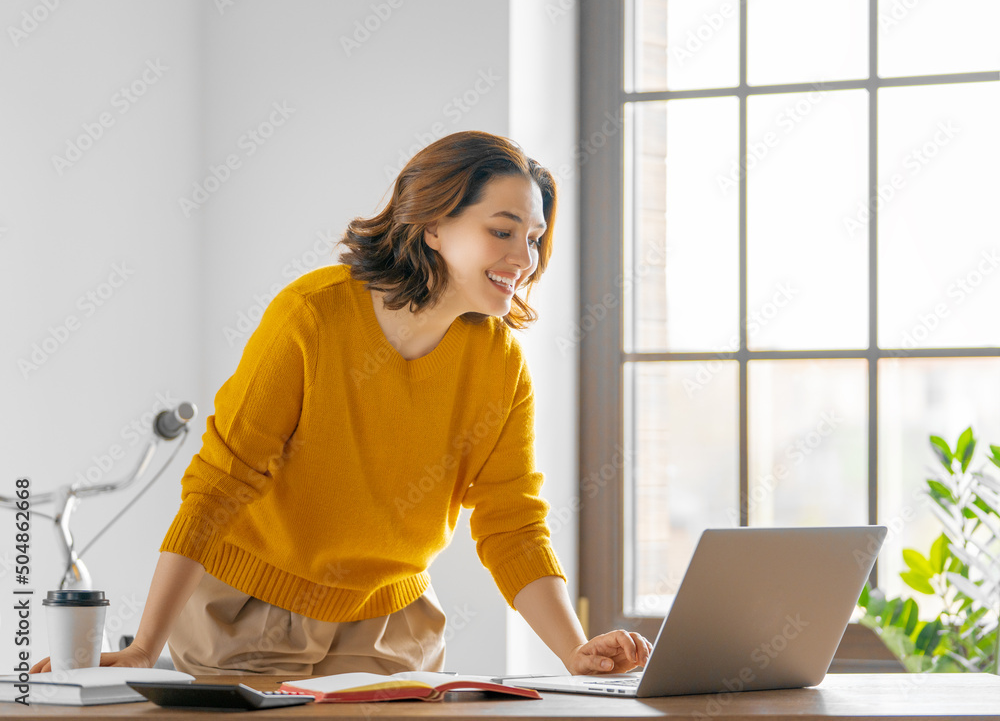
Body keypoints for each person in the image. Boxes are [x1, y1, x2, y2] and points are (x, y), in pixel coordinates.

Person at [31, 130, 652, 677]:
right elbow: (219, 484)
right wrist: (144, 647)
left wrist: (573, 653)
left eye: (536, 237)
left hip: (391, 623)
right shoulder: (311, 317)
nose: (525, 258)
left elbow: (511, 521)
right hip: (249, 611)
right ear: (433, 225)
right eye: (502, 231)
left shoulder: (500, 363)